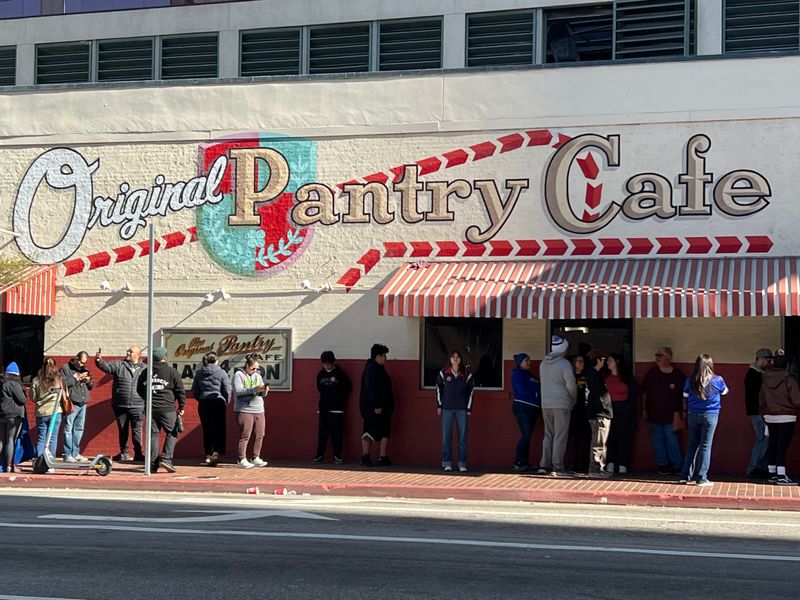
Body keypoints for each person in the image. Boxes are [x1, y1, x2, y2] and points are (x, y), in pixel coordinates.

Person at [680, 354, 728, 486]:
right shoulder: (717, 380)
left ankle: (685, 476)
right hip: (710, 415)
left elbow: (684, 395)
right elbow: (725, 391)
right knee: (705, 446)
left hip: (693, 414)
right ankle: (702, 477)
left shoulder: (690, 380)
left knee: (692, 445)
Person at [137, 347, 185, 473]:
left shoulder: (146, 372)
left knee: (153, 435)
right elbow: (180, 391)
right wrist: (181, 406)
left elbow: (139, 389)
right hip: (168, 408)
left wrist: (148, 400)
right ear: (165, 357)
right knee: (173, 432)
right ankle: (166, 459)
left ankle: (153, 464)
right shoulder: (172, 372)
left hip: (151, 409)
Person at [96, 345, 146, 462]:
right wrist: (99, 361)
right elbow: (107, 367)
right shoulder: (119, 365)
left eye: (131, 351)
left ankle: (138, 453)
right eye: (127, 350)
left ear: (138, 355)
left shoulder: (145, 368)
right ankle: (124, 452)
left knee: (137, 430)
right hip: (120, 404)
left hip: (138, 405)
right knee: (122, 429)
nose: (128, 353)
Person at [642, 347, 685, 475]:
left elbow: (684, 394)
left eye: (659, 355)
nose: (657, 358)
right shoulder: (652, 373)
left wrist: (683, 411)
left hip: (672, 415)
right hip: (654, 414)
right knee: (658, 441)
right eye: (656, 355)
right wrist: (644, 408)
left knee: (672, 441)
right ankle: (663, 465)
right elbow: (645, 392)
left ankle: (677, 465)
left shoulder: (678, 375)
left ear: (668, 357)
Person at [759, 350, 800, 485]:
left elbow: (762, 399)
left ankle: (772, 473)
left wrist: (764, 414)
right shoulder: (789, 379)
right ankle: (781, 475)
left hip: (770, 416)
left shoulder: (765, 378)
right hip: (787, 416)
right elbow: (796, 400)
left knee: (773, 444)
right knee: (782, 446)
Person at [537, 335, 577, 476]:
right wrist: (573, 399)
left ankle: (543, 465)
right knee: (560, 435)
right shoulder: (564, 364)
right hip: (561, 404)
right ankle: (557, 466)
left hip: (546, 404)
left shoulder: (543, 363)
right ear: (563, 349)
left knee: (548, 434)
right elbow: (571, 385)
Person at [436, 351, 474, 473]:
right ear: (450, 359)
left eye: (458, 356)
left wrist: (468, 408)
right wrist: (439, 405)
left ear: (461, 359)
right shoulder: (443, 373)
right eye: (453, 356)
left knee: (462, 438)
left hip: (462, 409)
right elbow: (438, 389)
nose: (455, 358)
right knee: (446, 437)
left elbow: (471, 392)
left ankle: (462, 464)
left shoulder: (467, 374)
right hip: (446, 409)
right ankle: (447, 463)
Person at [191, 352, 231, 467]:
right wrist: (225, 402)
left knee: (207, 429)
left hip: (204, 403)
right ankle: (217, 453)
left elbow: (195, 390)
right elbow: (227, 390)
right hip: (218, 402)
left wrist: (201, 399)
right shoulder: (221, 372)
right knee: (220, 429)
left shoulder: (199, 373)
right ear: (217, 360)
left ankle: (208, 454)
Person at [313, 350, 351, 465]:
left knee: (337, 434)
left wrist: (340, 400)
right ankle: (319, 455)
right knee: (322, 434)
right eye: (324, 364)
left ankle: (337, 456)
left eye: (328, 363)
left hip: (337, 409)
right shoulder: (320, 374)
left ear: (333, 362)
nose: (326, 366)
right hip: (324, 408)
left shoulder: (340, 374)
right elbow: (319, 388)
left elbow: (348, 388)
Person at [360, 343, 394, 467]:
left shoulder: (380, 368)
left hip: (384, 407)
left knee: (385, 431)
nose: (386, 358)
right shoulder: (371, 369)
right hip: (373, 408)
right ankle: (365, 456)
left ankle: (382, 456)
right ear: (377, 356)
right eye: (384, 355)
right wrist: (376, 405)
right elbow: (371, 389)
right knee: (369, 431)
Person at [232, 355, 269, 469]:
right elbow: (238, 391)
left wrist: (264, 391)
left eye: (257, 368)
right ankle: (241, 458)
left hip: (258, 408)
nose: (255, 370)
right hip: (244, 409)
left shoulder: (257, 376)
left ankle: (255, 457)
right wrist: (254, 389)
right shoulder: (238, 375)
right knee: (245, 434)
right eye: (253, 368)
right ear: (247, 365)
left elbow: (262, 393)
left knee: (260, 433)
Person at [605, 354, 637, 475]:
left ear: (617, 362)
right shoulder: (605, 377)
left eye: (610, 359)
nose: (607, 362)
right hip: (609, 409)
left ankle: (623, 463)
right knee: (610, 436)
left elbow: (634, 394)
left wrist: (627, 406)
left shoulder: (627, 378)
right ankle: (610, 462)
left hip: (624, 410)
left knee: (624, 437)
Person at [60, 351, 93, 463]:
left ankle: (76, 453)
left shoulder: (85, 369)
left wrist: (88, 381)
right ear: (75, 358)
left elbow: (91, 386)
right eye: (80, 361)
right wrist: (75, 378)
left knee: (79, 429)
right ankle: (67, 454)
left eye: (84, 363)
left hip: (83, 402)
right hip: (72, 402)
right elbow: (63, 384)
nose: (81, 364)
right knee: (68, 428)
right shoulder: (66, 368)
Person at [744, 348, 772, 479]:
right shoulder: (755, 374)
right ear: (759, 359)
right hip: (758, 412)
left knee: (763, 440)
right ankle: (754, 468)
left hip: (756, 411)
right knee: (762, 440)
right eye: (767, 359)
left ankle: (758, 467)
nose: (769, 362)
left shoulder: (754, 373)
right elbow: (758, 397)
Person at [31, 357, 66, 460]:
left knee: (41, 438)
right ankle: (50, 462)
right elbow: (63, 395)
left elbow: (33, 398)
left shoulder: (36, 380)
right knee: (52, 438)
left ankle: (39, 462)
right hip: (55, 412)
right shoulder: (58, 379)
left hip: (41, 412)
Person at [511, 353, 540, 472]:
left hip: (533, 408)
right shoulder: (517, 374)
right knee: (526, 435)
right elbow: (521, 390)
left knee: (528, 436)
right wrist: (536, 394)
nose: (529, 362)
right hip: (522, 407)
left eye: (529, 360)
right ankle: (517, 462)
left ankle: (525, 462)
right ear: (520, 362)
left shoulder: (529, 375)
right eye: (526, 360)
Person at [585, 350, 612, 478]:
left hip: (598, 413)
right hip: (599, 413)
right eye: (602, 358)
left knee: (601, 442)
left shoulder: (593, 374)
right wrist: (605, 408)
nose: (604, 361)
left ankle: (600, 467)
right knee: (598, 442)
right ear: (597, 360)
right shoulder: (593, 375)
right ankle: (595, 468)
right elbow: (599, 395)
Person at [566, 354, 591, 473]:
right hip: (572, 409)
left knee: (584, 437)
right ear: (574, 363)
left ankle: (582, 462)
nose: (582, 363)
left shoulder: (586, 377)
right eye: (579, 361)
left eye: (583, 361)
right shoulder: (569, 376)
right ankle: (572, 462)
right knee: (573, 436)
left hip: (584, 409)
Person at [0, 362, 26, 473]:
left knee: (1, 440)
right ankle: (10, 465)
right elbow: (22, 400)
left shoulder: (1, 384)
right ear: (15, 375)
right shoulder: (14, 384)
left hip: (2, 415)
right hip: (14, 415)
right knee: (11, 440)